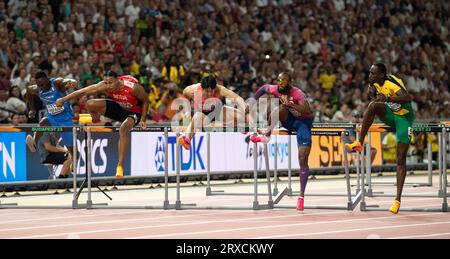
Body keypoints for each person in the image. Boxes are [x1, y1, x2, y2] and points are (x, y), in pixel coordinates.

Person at [345, 63, 415, 214]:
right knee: (372, 106)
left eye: (373, 74)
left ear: (382, 75)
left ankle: (397, 200)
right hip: (391, 115)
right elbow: (373, 96)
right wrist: (373, 94)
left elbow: (407, 97)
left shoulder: (391, 82)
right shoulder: (374, 82)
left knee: (400, 157)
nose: (370, 76)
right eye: (369, 73)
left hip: (404, 117)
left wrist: (388, 97)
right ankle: (359, 142)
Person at [55, 71, 149, 178]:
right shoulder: (103, 85)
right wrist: (63, 99)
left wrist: (143, 119)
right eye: (106, 82)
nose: (108, 86)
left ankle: (120, 166)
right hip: (119, 108)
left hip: (134, 113)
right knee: (90, 104)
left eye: (110, 83)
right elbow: (83, 91)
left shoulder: (133, 88)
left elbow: (146, 101)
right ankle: (96, 121)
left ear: (118, 80)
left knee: (123, 129)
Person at [249, 72, 313, 211]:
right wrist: (252, 101)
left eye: (283, 81)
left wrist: (292, 104)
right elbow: (263, 88)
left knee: (303, 158)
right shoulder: (276, 89)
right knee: (279, 109)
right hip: (289, 120)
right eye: (278, 80)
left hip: (303, 123)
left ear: (290, 82)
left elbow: (307, 109)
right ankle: (267, 135)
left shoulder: (297, 93)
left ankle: (301, 196)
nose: (280, 83)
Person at [177, 75, 248, 150]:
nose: (209, 94)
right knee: (196, 118)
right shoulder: (193, 89)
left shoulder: (220, 89)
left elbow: (236, 97)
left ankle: (229, 125)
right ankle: (186, 140)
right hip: (202, 114)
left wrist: (244, 106)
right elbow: (184, 93)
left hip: (217, 111)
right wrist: (187, 109)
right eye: (207, 91)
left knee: (240, 117)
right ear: (202, 88)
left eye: (211, 91)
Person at [25, 71, 78, 161]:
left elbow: (65, 81)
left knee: (71, 148)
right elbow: (28, 91)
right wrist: (32, 109)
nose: (42, 87)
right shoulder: (38, 89)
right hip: (51, 117)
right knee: (43, 121)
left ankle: (74, 161)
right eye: (39, 85)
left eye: (43, 84)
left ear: (47, 79)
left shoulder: (57, 83)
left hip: (65, 119)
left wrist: (71, 81)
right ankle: (34, 143)